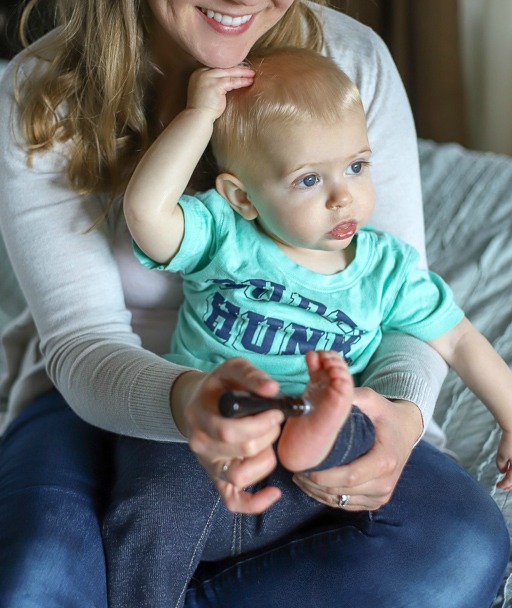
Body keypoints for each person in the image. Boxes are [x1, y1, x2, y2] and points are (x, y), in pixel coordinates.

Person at [0, 0, 508, 606]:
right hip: (107, 403)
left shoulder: (351, 62)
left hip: (312, 408)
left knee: (461, 550)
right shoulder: (35, 98)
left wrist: (400, 418)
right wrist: (191, 404)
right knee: (36, 581)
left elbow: (404, 296)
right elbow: (82, 343)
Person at [103, 46, 512, 605]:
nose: (343, 195)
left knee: (359, 415)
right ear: (242, 196)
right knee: (147, 510)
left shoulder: (386, 270)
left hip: (320, 460)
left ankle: (313, 426)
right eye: (307, 180)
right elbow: (147, 214)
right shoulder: (225, 236)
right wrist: (198, 117)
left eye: (356, 166)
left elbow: (458, 338)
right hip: (211, 433)